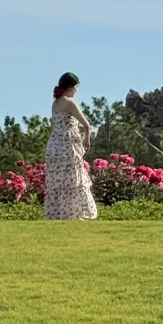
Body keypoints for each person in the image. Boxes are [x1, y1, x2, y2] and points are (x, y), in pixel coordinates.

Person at [44, 72, 97, 221]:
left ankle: (59, 213)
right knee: (73, 179)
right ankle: (75, 212)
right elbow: (86, 124)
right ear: (71, 87)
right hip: (68, 145)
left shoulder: (55, 104)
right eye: (76, 87)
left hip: (55, 145)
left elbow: (54, 125)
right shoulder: (69, 103)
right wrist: (87, 139)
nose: (77, 90)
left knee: (59, 181)